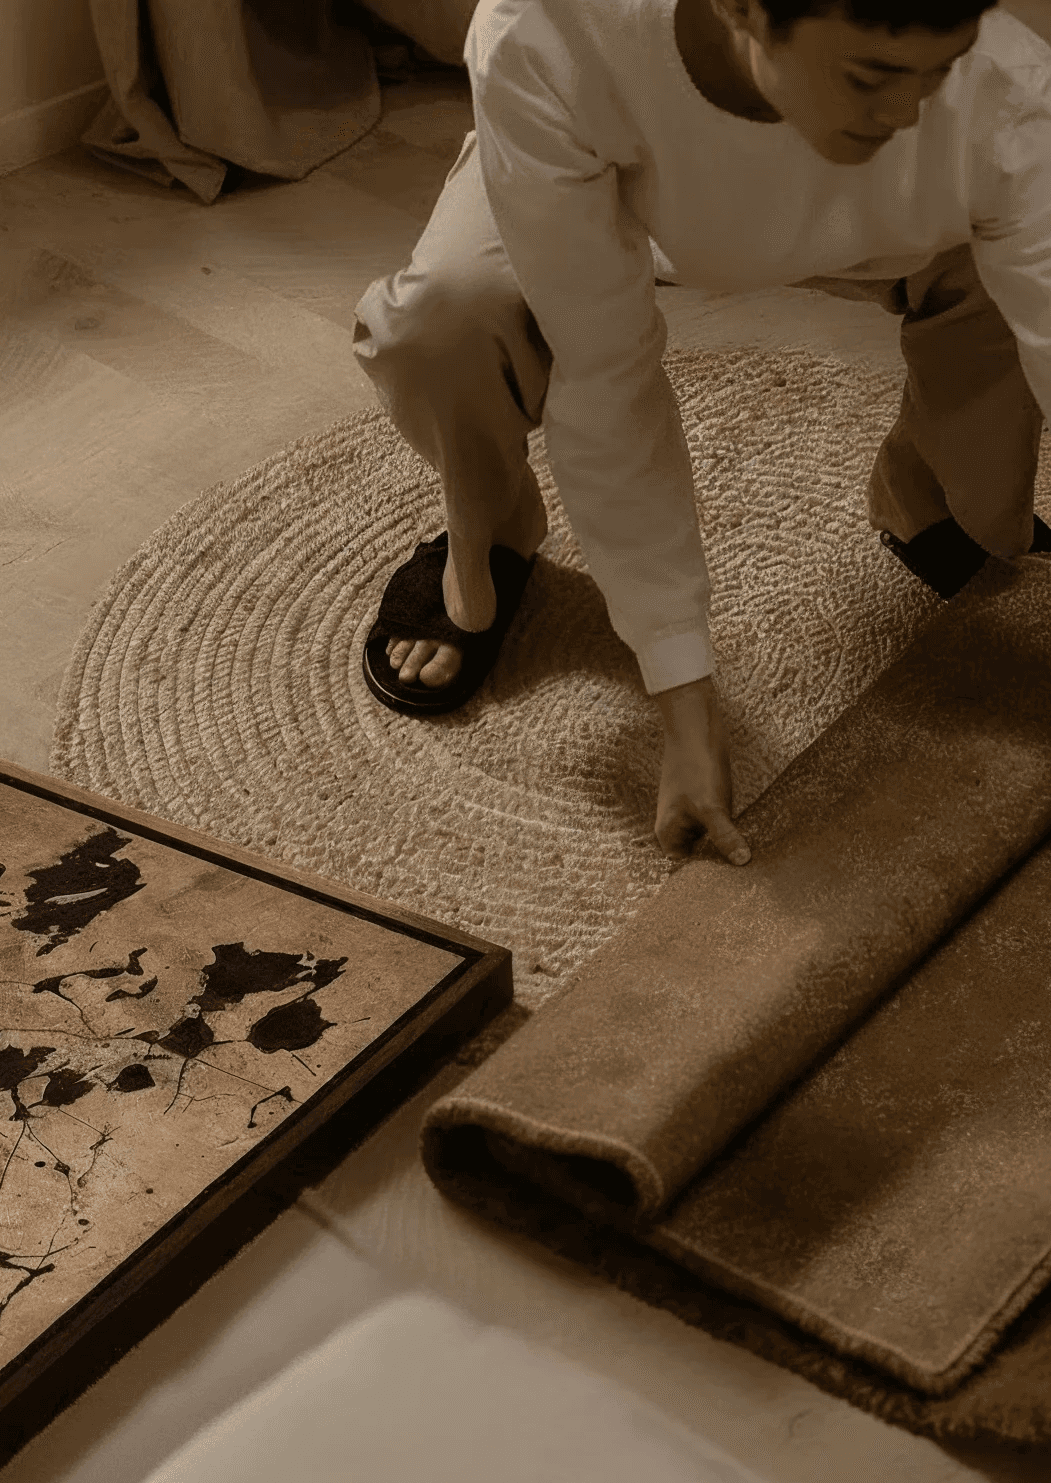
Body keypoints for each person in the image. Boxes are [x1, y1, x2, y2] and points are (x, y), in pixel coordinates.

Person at [352, 0, 1051, 866]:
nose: (908, 112)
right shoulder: (548, 35)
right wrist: (682, 696)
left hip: (888, 220)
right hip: (606, 191)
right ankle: (491, 542)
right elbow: (605, 381)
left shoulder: (1005, 91)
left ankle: (934, 498)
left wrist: (915, 89)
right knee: (439, 324)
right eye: (871, 77)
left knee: (1007, 278)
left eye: (935, 72)